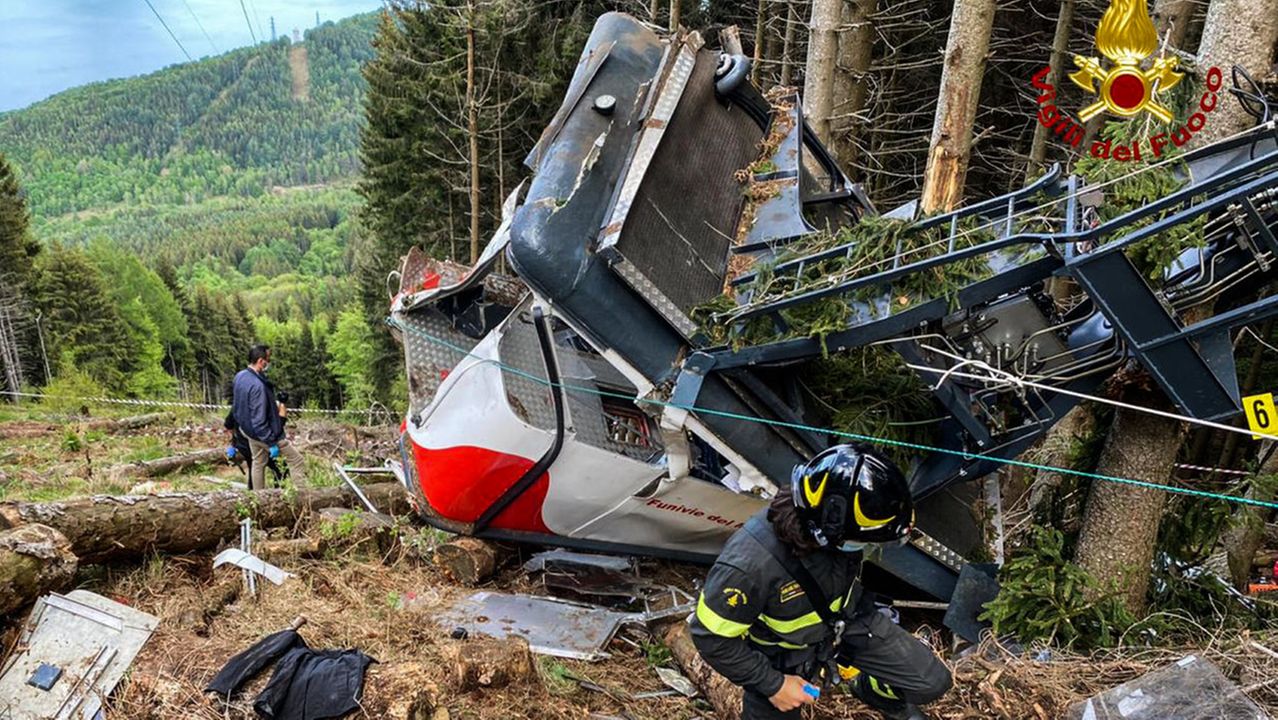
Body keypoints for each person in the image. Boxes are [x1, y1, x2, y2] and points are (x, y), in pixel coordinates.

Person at [690, 444, 951, 720]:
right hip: (780, 656)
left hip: (846, 624)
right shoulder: (749, 565)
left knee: (931, 681)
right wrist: (773, 685)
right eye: (862, 542)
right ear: (828, 531)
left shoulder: (834, 520)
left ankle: (872, 691)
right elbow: (710, 637)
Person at [232, 344, 306, 491]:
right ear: (261, 361)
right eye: (268, 359)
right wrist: (272, 442)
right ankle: (303, 498)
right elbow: (259, 419)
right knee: (296, 460)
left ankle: (259, 498)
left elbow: (239, 406)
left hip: (248, 431)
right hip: (263, 433)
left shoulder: (240, 376)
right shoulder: (258, 386)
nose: (268, 363)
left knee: (258, 462)